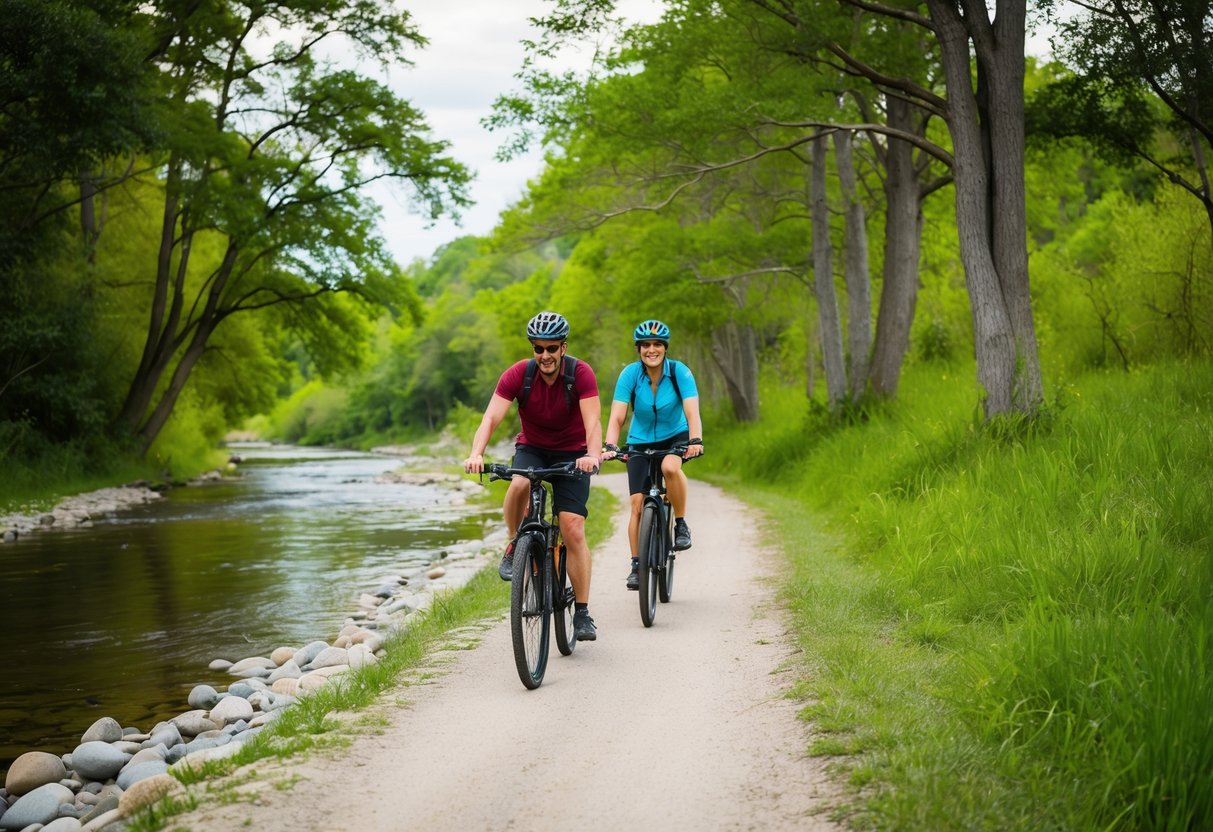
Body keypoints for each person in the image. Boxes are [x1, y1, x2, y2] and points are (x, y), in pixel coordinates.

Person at [464, 311, 603, 641]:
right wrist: (476, 453)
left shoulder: (580, 374)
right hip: (533, 449)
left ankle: (582, 612)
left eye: (551, 348)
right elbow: (490, 418)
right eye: (539, 349)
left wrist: (592, 455)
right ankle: (515, 542)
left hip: (574, 454)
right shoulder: (518, 375)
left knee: (572, 526)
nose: (545, 356)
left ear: (563, 348)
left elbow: (593, 423)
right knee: (520, 482)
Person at [600, 319, 703, 591]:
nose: (651, 349)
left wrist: (695, 440)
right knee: (636, 503)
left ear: (665, 348)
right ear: (639, 349)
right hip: (640, 439)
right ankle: (636, 564)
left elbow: (692, 411)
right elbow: (618, 416)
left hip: (675, 435)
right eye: (646, 345)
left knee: (670, 468)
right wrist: (611, 445)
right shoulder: (630, 375)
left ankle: (680, 524)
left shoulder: (680, 372)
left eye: (657, 344)